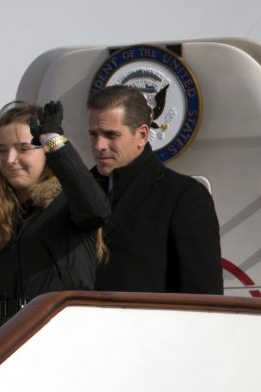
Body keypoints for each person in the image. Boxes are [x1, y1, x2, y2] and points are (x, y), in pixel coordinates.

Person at [0, 100, 110, 351]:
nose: (10, 159)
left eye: (23, 148)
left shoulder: (70, 203)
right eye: (1, 150)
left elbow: (97, 210)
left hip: (61, 341)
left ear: (45, 151)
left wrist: (54, 141)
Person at [87, 84, 223, 293]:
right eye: (93, 134)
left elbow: (204, 296)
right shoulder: (76, 193)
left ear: (142, 135)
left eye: (111, 135)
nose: (99, 145)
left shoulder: (184, 196)